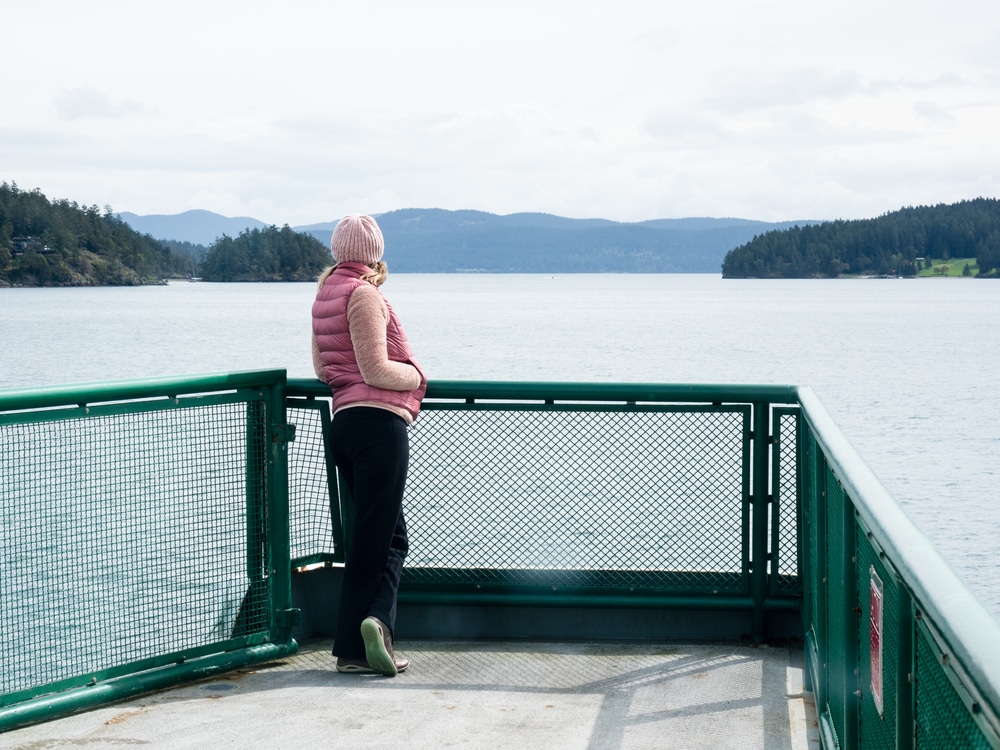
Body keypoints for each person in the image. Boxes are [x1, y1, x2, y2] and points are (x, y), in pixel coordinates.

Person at [311, 214, 427, 676]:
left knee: (384, 537)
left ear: (339, 250)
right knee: (377, 542)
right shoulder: (364, 295)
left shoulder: (325, 296)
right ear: (374, 252)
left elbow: (325, 371)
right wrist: (418, 376)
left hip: (345, 424)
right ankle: (363, 639)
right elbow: (378, 370)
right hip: (378, 427)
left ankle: (365, 636)